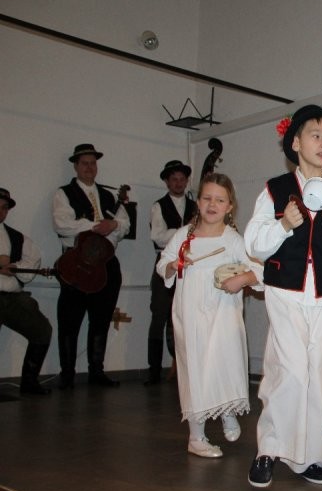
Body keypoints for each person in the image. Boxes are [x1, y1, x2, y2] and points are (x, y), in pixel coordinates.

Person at [244, 105, 322, 488]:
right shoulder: (275, 190)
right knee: (289, 371)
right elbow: (254, 243)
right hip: (286, 291)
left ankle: (310, 457)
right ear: (296, 142)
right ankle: (269, 450)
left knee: (320, 376)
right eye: (316, 135)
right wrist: (283, 224)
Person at [157, 172, 262, 458]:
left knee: (224, 363)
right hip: (190, 316)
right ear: (198, 202)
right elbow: (163, 265)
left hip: (223, 316)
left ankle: (227, 411)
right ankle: (196, 437)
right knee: (194, 370)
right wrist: (174, 265)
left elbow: (260, 271)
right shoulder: (184, 236)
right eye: (206, 198)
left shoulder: (233, 240)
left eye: (220, 200)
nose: (212, 204)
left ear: (229, 207)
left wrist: (241, 280)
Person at [52, 144, 130, 388]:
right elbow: (62, 224)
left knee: (101, 319)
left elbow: (125, 224)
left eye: (93, 163)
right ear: (75, 166)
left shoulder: (109, 195)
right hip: (76, 263)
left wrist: (113, 226)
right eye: (84, 163)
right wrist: (96, 226)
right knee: (70, 321)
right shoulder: (64, 193)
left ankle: (96, 372)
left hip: (105, 264)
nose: (89, 167)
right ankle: (67, 375)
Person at [144, 160, 197, 386]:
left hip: (191, 264)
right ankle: (154, 371)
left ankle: (187, 371)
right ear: (167, 182)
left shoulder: (195, 205)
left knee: (188, 317)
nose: (178, 183)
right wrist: (186, 230)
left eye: (182, 179)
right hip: (166, 263)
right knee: (159, 316)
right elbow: (158, 237)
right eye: (174, 179)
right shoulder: (159, 206)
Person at [0, 187, 53, 395]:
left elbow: (33, 258)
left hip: (12, 298)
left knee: (42, 330)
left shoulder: (16, 237)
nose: (1, 212)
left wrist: (15, 267)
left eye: (4, 208)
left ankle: (29, 383)